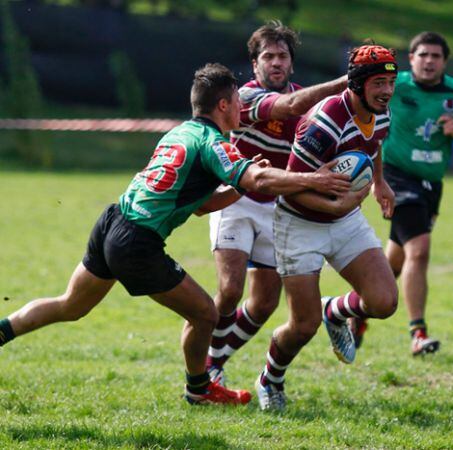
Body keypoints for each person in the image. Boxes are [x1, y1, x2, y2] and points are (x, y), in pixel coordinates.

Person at [0, 63, 350, 406]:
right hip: (137, 242)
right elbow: (257, 180)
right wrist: (314, 179)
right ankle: (200, 388)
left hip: (111, 221)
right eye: (238, 101)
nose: (243, 107)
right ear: (224, 105)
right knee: (205, 315)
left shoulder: (179, 133)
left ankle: (4, 329)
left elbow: (199, 205)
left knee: (70, 305)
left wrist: (238, 190)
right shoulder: (213, 144)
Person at [253, 44, 399, 411]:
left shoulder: (381, 112)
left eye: (391, 82)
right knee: (302, 328)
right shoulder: (324, 122)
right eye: (379, 82)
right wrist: (341, 203)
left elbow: (374, 144)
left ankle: (333, 311)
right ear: (358, 84)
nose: (387, 90)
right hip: (299, 223)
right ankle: (271, 379)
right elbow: (292, 187)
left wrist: (379, 183)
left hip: (345, 219)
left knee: (384, 302)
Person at [204, 21, 348, 385]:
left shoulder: (310, 105)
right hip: (235, 200)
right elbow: (286, 107)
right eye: (267, 56)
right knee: (231, 289)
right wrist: (347, 82)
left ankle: (214, 361)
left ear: (292, 63)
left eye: (282, 56)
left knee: (265, 302)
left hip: (278, 206)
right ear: (254, 65)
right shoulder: (246, 97)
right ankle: (206, 360)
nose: (276, 63)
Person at [347, 32, 453, 356]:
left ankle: (358, 310)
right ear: (411, 59)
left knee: (396, 258)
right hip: (396, 175)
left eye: (435, 56)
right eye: (422, 55)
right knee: (420, 250)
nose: (428, 61)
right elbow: (357, 104)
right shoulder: (393, 86)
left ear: (445, 62)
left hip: (431, 185)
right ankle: (418, 333)